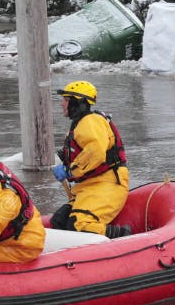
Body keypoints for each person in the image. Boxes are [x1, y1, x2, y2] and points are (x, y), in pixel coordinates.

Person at [52, 80, 131, 238]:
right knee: (59, 221)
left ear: (77, 102)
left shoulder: (90, 121)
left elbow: (96, 153)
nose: (62, 104)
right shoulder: (81, 124)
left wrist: (69, 171)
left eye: (66, 100)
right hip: (89, 186)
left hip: (107, 183)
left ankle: (123, 235)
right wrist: (63, 161)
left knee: (79, 225)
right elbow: (81, 152)